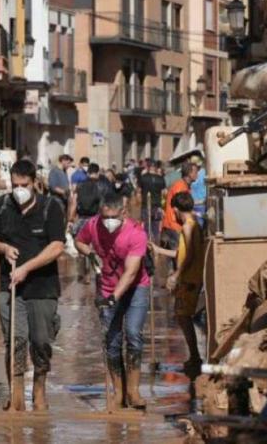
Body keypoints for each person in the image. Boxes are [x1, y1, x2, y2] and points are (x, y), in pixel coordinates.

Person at [0, 160, 65, 411]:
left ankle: (39, 387)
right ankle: (16, 394)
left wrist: (28, 267)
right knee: (15, 340)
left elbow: (57, 246)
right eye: (14, 185)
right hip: (10, 287)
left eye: (23, 185)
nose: (18, 189)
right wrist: (3, 247)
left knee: (40, 340)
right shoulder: (2, 206)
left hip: (43, 287)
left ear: (35, 182)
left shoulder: (51, 208)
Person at [75, 192, 151, 409]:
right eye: (104, 216)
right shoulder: (92, 225)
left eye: (113, 217)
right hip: (106, 285)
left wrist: (112, 298)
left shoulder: (136, 234)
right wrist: (89, 252)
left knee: (134, 334)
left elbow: (131, 272)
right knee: (112, 341)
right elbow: (79, 241)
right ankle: (118, 391)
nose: (107, 222)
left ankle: (133, 391)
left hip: (135, 288)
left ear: (123, 213)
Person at [150, 192, 205, 376]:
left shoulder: (189, 227)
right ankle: (194, 356)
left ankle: (195, 357)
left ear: (175, 209)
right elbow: (180, 253)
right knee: (183, 316)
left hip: (189, 279)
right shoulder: (191, 225)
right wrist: (160, 250)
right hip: (188, 277)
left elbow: (189, 255)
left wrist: (176, 274)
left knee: (183, 316)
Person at [71, 163, 114, 283]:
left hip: (82, 218)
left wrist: (70, 219)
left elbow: (74, 203)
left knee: (83, 246)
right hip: (97, 219)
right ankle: (101, 272)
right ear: (98, 172)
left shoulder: (80, 185)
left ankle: (86, 274)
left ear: (88, 172)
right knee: (99, 246)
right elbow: (107, 204)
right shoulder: (104, 185)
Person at [161, 161, 199, 254]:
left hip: (172, 226)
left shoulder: (184, 186)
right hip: (174, 226)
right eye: (195, 172)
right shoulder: (180, 187)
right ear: (189, 173)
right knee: (180, 257)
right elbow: (181, 209)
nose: (197, 174)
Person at [139, 159, 167, 242]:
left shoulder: (143, 178)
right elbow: (164, 193)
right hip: (157, 206)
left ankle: (147, 247)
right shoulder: (161, 179)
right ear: (155, 167)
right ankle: (156, 247)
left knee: (146, 228)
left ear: (148, 167)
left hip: (145, 205)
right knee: (156, 229)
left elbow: (139, 192)